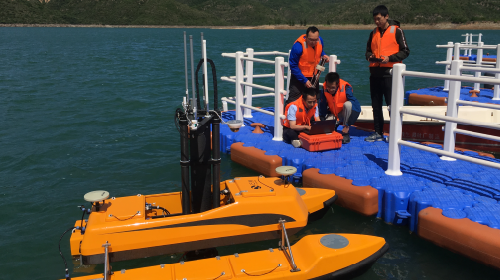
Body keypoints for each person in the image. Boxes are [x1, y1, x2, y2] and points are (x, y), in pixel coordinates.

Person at [364, 5, 410, 142]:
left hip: (391, 74)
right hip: (375, 74)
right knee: (376, 105)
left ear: (386, 17)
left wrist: (389, 58)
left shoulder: (397, 31)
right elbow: (366, 51)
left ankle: (394, 133)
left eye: (379, 19)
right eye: (375, 19)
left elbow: (405, 51)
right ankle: (378, 132)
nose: (377, 22)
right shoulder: (373, 33)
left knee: (392, 105)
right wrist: (370, 57)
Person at [287, 26, 330, 105]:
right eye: (311, 39)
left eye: (315, 40)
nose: (313, 42)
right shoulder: (298, 46)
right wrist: (304, 80)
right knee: (293, 101)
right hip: (299, 78)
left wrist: (324, 55)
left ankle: (312, 117)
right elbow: (293, 66)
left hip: (314, 76)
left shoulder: (320, 41)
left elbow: (320, 51)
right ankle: (287, 117)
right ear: (306, 37)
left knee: (313, 100)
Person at [318, 72, 361, 144]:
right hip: (333, 114)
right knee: (326, 132)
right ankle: (334, 127)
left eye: (333, 88)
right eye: (328, 87)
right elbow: (322, 105)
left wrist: (347, 125)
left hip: (344, 114)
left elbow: (357, 107)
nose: (330, 90)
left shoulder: (346, 88)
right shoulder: (324, 88)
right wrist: (322, 120)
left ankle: (346, 133)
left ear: (337, 84)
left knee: (348, 104)